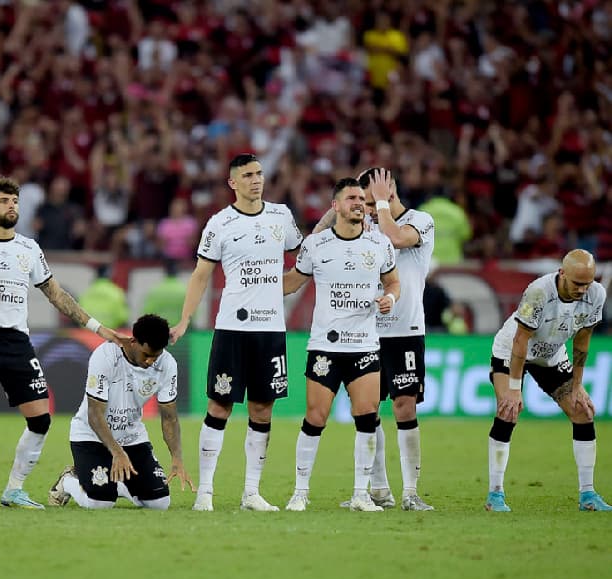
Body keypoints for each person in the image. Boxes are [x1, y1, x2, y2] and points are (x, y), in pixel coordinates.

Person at [0, 177, 126, 510]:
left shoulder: (29, 248)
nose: (11, 206)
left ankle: (14, 489)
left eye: (15, 201)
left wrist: (97, 327)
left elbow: (56, 294)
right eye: (4, 200)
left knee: (41, 420)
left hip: (18, 344)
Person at [170, 153, 303, 512]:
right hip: (232, 327)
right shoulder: (220, 224)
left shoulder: (282, 217)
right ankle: (206, 493)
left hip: (271, 329)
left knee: (263, 409)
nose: (256, 180)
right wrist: (185, 320)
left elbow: (303, 259)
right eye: (247, 175)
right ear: (233, 183)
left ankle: (251, 493)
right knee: (220, 405)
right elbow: (201, 275)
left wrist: (288, 284)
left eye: (259, 173)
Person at [282, 175, 400, 512]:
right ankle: (300, 492)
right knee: (315, 418)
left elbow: (393, 281)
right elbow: (293, 282)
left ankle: (361, 494)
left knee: (368, 416)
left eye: (362, 199)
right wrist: (261, 282)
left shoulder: (379, 244)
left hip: (364, 345)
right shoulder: (316, 245)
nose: (359, 204)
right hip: (325, 346)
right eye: (351, 199)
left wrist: (390, 296)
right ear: (335, 207)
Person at [485, 249, 611, 512]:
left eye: (587, 283)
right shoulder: (539, 292)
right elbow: (521, 340)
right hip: (512, 351)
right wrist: (514, 389)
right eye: (577, 283)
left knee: (583, 412)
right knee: (508, 411)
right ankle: (495, 495)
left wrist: (577, 386)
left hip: (552, 355)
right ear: (562, 273)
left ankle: (587, 494)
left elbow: (582, 341)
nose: (582, 290)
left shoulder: (596, 294)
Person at [343, 168, 436, 511]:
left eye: (368, 201)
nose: (364, 209)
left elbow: (395, 238)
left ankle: (411, 492)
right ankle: (378, 489)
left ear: (389, 194)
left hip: (406, 332)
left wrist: (379, 204)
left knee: (404, 406)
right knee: (367, 410)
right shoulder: (366, 226)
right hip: (367, 333)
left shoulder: (421, 221)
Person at [47, 314, 194, 509]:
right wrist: (117, 452)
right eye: (147, 355)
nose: (151, 361)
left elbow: (169, 418)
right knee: (100, 503)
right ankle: (68, 481)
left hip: (132, 438)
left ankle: (121, 486)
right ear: (134, 342)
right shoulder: (106, 356)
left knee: (160, 503)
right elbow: (95, 415)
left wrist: (177, 459)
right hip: (91, 437)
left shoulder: (167, 365)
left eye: (156, 356)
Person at [77, 264, 129, 330]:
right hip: (108, 334)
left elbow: (78, 315)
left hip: (87, 335)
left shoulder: (86, 293)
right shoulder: (117, 293)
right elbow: (123, 318)